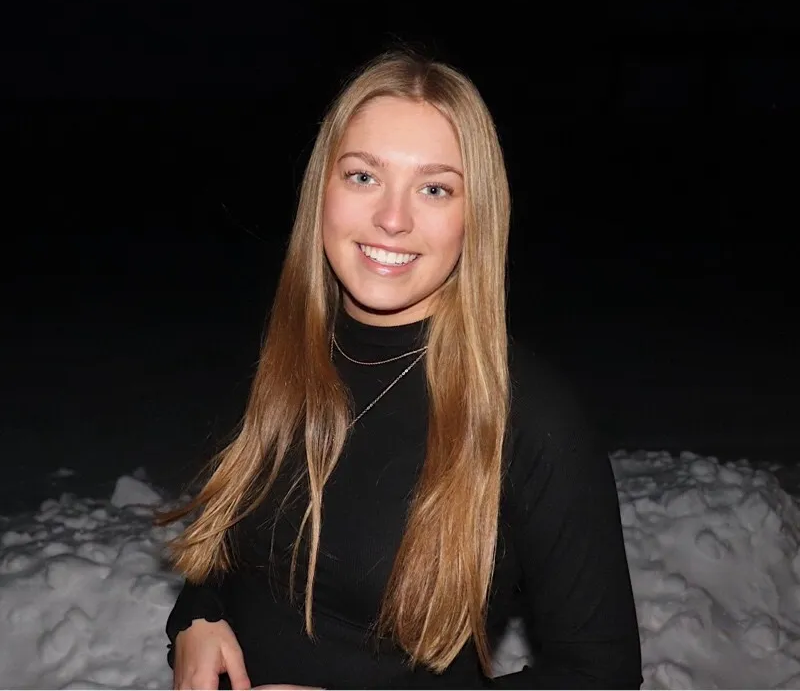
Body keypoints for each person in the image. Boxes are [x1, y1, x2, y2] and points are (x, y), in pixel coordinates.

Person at [158, 51, 643, 690]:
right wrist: (198, 615)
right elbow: (238, 537)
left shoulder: (526, 414)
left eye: (435, 188)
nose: (393, 218)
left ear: (476, 218)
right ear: (321, 190)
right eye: (364, 177)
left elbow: (601, 675)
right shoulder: (285, 356)